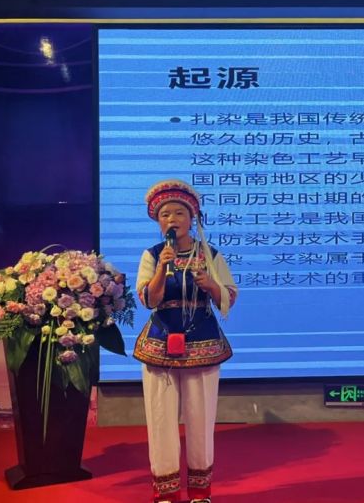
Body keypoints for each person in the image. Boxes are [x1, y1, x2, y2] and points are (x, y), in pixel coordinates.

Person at [134, 179, 238, 503]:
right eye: (165, 214)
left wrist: (211, 285)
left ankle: (200, 492)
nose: (172, 219)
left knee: (201, 419)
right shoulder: (152, 255)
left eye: (179, 212)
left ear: (192, 218)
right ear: (158, 221)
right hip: (160, 343)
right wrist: (162, 269)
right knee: (161, 419)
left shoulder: (210, 255)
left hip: (202, 342)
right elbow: (148, 299)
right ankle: (165, 493)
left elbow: (229, 297)